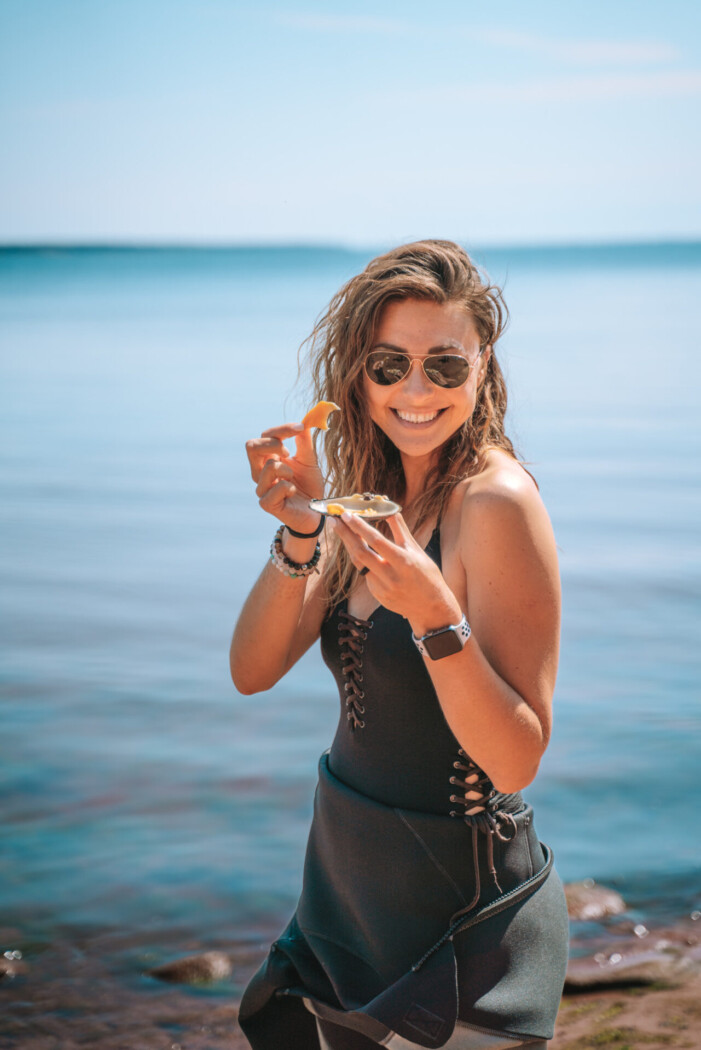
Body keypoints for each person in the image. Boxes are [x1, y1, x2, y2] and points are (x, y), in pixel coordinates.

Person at [231, 240, 569, 1050]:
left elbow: (516, 760)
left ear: (481, 365)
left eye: (443, 366)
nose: (415, 391)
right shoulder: (367, 493)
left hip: (461, 919)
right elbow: (252, 670)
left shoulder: (494, 502)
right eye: (389, 364)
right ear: (357, 373)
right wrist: (305, 535)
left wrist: (434, 619)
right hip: (346, 893)